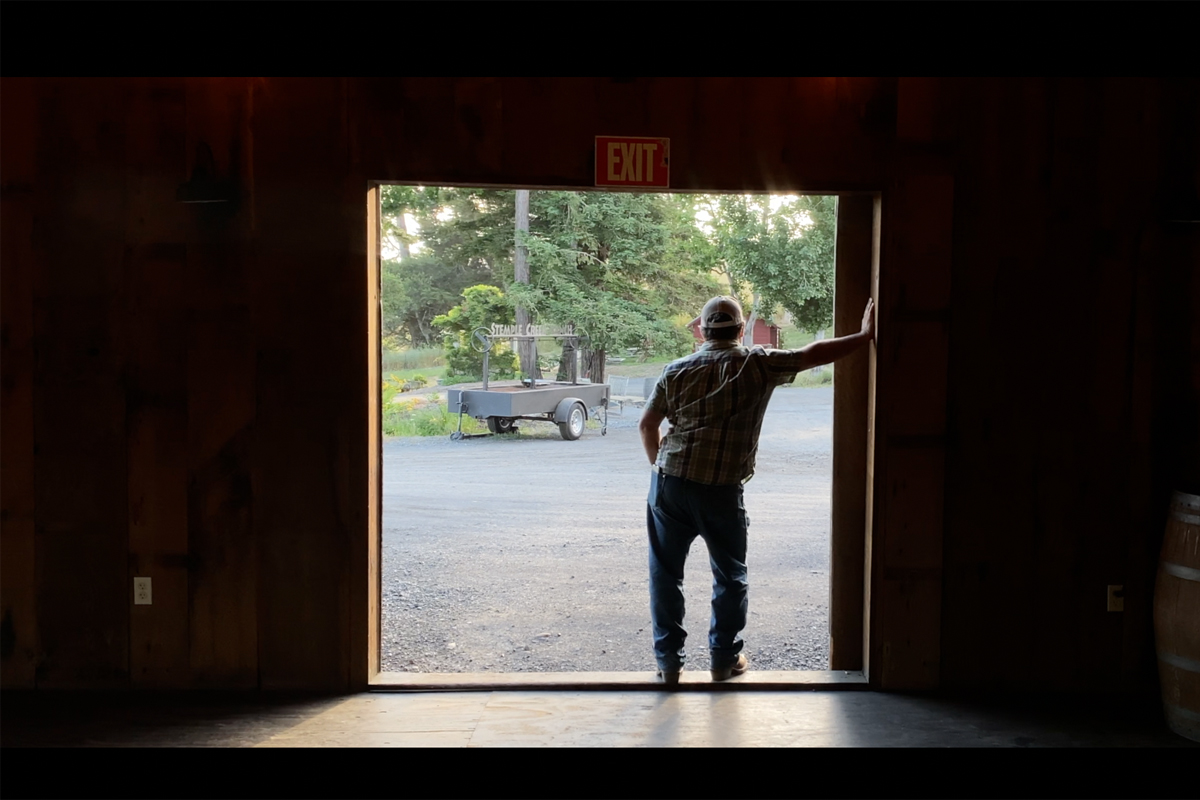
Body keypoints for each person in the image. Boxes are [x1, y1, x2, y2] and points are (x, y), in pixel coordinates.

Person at [639, 295, 876, 685]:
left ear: (701, 330)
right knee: (730, 576)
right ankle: (723, 660)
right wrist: (864, 336)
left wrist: (660, 470)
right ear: (740, 327)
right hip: (720, 491)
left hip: (670, 485)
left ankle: (668, 665)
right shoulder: (758, 363)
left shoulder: (675, 370)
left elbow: (648, 425)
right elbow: (813, 353)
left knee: (666, 576)